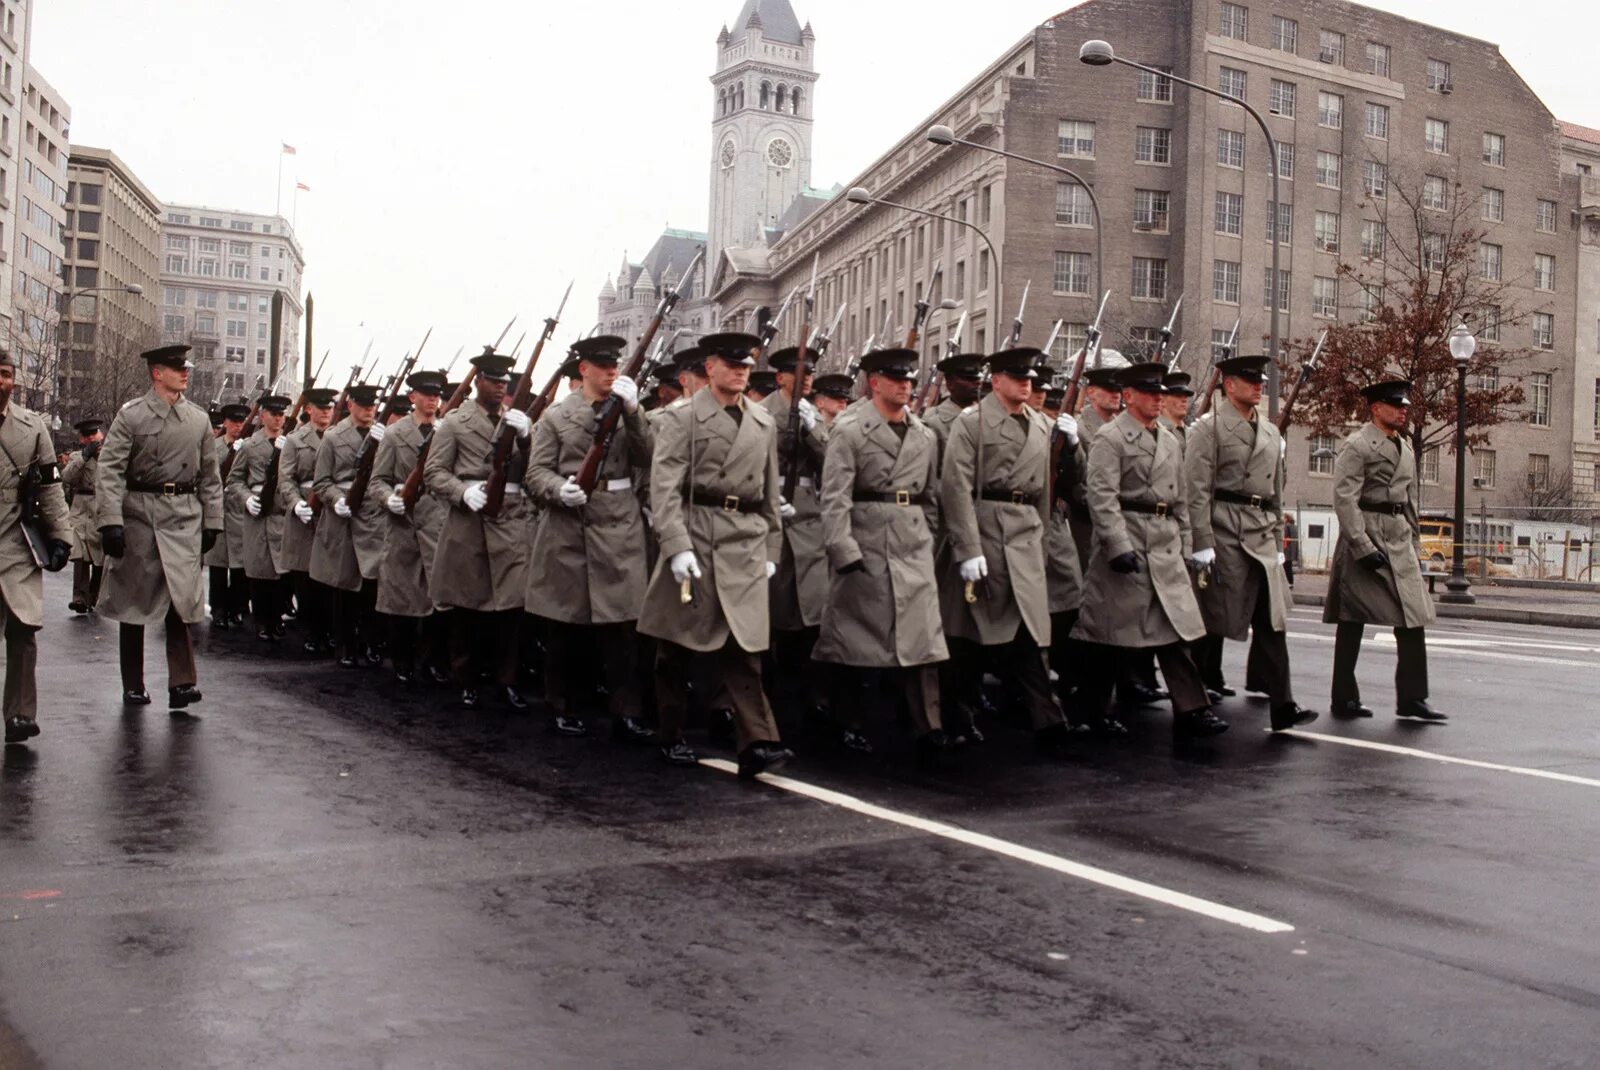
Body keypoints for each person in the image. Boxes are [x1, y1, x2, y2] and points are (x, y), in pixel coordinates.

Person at [637, 331, 792, 778]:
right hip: (697, 531)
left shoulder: (762, 423)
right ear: (710, 369)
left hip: (743, 537)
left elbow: (769, 491)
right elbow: (664, 488)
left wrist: (771, 546)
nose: (741, 371)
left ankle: (759, 741)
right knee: (678, 643)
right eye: (731, 364)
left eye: (746, 365)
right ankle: (670, 731)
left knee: (744, 647)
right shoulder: (682, 418)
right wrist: (676, 545)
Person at [1072, 361, 1226, 739]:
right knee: (1109, 636)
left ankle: (1192, 709)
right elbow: (1102, 497)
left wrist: (1188, 545)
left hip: (1163, 542)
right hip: (1128, 541)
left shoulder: (1170, 440)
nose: (1159, 399)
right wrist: (1117, 545)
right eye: (1151, 393)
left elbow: (1182, 501)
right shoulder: (1111, 438)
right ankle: (1092, 709)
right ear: (1129, 397)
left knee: (1175, 633)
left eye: (1161, 394)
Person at [812, 347, 952, 760]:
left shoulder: (924, 434)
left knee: (923, 639)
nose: (906, 385)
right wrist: (842, 548)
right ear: (875, 383)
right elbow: (834, 496)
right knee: (859, 642)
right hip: (867, 543)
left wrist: (926, 534)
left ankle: (930, 726)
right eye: (896, 379)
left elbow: (930, 496)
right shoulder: (850, 430)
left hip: (911, 544)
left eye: (909, 379)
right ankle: (848, 721)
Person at [938, 347, 1077, 755]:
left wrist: (1043, 539)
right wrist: (967, 547)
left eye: (1030, 378)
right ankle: (956, 716)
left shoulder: (1039, 423)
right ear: (995, 380)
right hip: (985, 529)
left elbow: (1046, 489)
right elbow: (955, 486)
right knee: (968, 637)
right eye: (1017, 377)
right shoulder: (972, 422)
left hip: (1024, 534)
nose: (1026, 384)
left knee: (1031, 633)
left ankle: (1048, 719)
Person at [524, 336, 654, 741]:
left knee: (622, 629)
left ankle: (626, 712)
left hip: (619, 524)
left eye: (614, 363)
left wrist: (633, 412)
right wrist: (557, 491)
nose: (611, 370)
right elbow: (536, 473)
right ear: (583, 369)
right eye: (601, 364)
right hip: (571, 524)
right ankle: (562, 704)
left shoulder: (631, 409)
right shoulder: (555, 417)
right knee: (567, 626)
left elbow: (649, 455)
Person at [1184, 355, 1317, 732]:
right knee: (1211, 621)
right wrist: (1202, 541)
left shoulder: (1271, 433)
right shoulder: (1207, 429)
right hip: (1224, 530)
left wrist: (1277, 541)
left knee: (1272, 622)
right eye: (1249, 380)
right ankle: (1192, 702)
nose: (1259, 385)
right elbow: (1196, 491)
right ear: (1229, 385)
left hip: (1260, 533)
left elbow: (1276, 494)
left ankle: (1283, 706)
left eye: (1260, 380)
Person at [94, 344, 224, 709]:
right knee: (134, 602)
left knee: (180, 602)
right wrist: (110, 523)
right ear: (157, 373)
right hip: (140, 515)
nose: (185, 372)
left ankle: (182, 682)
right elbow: (110, 471)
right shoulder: (132, 416)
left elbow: (211, 478)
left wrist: (212, 520)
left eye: (185, 367)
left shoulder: (197, 420)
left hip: (183, 516)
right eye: (175, 367)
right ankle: (133, 684)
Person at [1324, 380, 1445, 722]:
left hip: (1398, 538)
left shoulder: (1405, 447)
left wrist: (1416, 544)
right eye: (1395, 404)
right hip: (1367, 535)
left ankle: (1412, 698)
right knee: (1352, 618)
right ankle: (1343, 697)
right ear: (1376, 408)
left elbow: (1410, 501)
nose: (1403, 409)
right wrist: (1361, 545)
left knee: (1413, 618)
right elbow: (1345, 499)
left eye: (1405, 404)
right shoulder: (1358, 445)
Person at [424, 350, 533, 709]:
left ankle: (507, 680)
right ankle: (466, 678)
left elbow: (528, 473)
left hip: (508, 522)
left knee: (510, 610)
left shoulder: (514, 421)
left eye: (505, 381)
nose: (502, 386)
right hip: (469, 523)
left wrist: (529, 438)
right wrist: (462, 491)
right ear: (479, 382)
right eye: (495, 380)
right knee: (467, 609)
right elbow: (434, 473)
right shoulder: (455, 422)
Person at [0, 350, 72, 744]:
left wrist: (61, 536)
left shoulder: (33, 427)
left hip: (17, 540)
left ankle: (21, 715)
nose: (1, 382)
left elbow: (50, 486)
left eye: (7, 374)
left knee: (24, 630)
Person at [760, 345, 831, 728]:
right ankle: (768, 691)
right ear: (781, 377)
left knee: (811, 610)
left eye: (811, 373)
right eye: (799, 372)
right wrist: (771, 500)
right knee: (775, 611)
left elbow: (833, 461)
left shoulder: (811, 413)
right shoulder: (763, 412)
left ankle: (811, 693)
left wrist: (814, 428)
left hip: (808, 515)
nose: (807, 379)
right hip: (773, 511)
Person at [372, 370, 450, 685]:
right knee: (402, 596)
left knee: (438, 597)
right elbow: (377, 480)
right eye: (426, 394)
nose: (432, 399)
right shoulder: (395, 434)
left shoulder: (447, 431)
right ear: (412, 398)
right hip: (403, 521)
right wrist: (388, 497)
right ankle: (402, 659)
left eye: (436, 395)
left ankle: (433, 660)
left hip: (437, 519)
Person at [311, 384, 389, 667]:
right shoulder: (333, 437)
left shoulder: (384, 435)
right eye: (364, 405)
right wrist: (335, 500)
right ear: (350, 405)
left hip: (373, 514)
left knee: (372, 585)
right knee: (345, 587)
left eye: (373, 405)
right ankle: (344, 644)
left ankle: (371, 642)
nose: (370, 410)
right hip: (344, 515)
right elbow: (321, 482)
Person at [226, 393, 291, 641]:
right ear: (262, 416)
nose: (278, 419)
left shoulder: (290, 443)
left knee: (280, 572)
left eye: (281, 415)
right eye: (273, 414)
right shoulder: (250, 445)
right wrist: (246, 499)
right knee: (258, 572)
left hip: (279, 513)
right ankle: (262, 620)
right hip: (257, 514)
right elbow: (234, 480)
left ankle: (277, 618)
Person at [277, 387, 336, 653]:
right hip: (304, 509)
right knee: (305, 577)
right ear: (309, 409)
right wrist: (295, 503)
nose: (326, 411)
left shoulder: (339, 437)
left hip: (331, 509)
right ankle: (311, 631)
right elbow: (285, 478)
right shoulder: (294, 440)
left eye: (329, 407)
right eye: (320, 407)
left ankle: (330, 630)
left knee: (331, 576)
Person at [205, 400, 251, 628]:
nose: (238, 426)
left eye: (242, 421)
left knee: (240, 564)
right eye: (234, 421)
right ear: (225, 422)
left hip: (240, 510)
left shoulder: (248, 446)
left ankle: (237, 607)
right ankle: (218, 608)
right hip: (219, 508)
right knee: (218, 563)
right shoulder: (215, 447)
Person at [62, 417, 105, 614]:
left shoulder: (108, 456)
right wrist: (84, 457)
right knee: (79, 553)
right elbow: (67, 476)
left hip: (100, 507)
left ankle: (93, 594)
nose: (91, 439)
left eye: (94, 435)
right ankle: (79, 597)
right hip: (80, 508)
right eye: (87, 436)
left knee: (98, 555)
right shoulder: (77, 457)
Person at [919, 353, 982, 463]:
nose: (977, 382)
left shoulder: (989, 416)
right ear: (950, 384)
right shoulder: (933, 421)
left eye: (978, 378)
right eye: (969, 378)